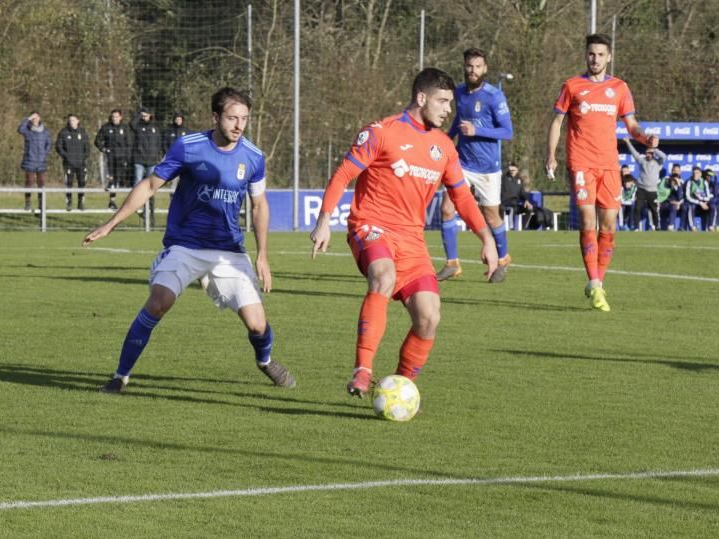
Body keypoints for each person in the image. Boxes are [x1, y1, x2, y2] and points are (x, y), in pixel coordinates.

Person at [84, 87, 295, 393]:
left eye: (244, 119)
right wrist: (111, 223)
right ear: (215, 117)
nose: (239, 125)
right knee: (158, 303)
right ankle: (120, 377)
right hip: (185, 246)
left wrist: (263, 255)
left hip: (228, 252)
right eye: (232, 118)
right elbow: (150, 184)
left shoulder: (253, 157)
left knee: (257, 325)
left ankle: (265, 361)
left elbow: (260, 205)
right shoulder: (189, 146)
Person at [310, 68, 498, 398]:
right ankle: (362, 372)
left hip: (412, 239)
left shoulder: (444, 147)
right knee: (382, 276)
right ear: (421, 98)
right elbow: (343, 176)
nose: (448, 109)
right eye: (442, 101)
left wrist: (486, 239)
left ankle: (399, 389)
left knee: (429, 318)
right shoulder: (381, 132)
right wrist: (324, 220)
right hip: (371, 226)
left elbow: (462, 197)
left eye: (450, 103)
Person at [546, 33, 658, 312]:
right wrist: (551, 156)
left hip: (609, 165)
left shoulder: (619, 88)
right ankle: (594, 283)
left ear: (609, 57)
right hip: (581, 161)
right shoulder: (572, 86)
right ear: (586, 55)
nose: (594, 59)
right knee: (587, 220)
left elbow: (631, 125)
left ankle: (598, 281)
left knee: (608, 225)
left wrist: (645, 138)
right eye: (591, 54)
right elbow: (557, 121)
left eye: (600, 54)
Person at [436, 48, 513, 283]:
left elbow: (507, 132)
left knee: (491, 217)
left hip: (488, 168)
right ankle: (452, 263)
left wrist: (477, 130)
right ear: (465, 66)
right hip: (462, 163)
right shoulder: (458, 93)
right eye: (470, 66)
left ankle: (502, 259)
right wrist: (444, 140)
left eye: (478, 66)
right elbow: (458, 121)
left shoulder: (494, 96)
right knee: (447, 208)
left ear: (485, 69)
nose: (473, 70)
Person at [624, 137, 666, 230]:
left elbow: (664, 156)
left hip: (652, 190)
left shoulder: (658, 162)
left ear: (653, 154)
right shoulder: (642, 161)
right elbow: (634, 153)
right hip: (641, 189)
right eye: (647, 153)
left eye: (650, 153)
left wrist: (654, 149)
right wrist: (628, 142)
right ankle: (636, 227)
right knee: (637, 208)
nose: (648, 154)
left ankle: (657, 226)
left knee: (654, 210)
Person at [95, 109, 132, 210]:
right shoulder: (106, 127)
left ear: (120, 117)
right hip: (110, 158)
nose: (114, 118)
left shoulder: (125, 128)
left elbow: (129, 144)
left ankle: (130, 203)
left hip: (122, 158)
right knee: (112, 179)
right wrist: (103, 148)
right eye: (113, 117)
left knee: (122, 180)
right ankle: (112, 201)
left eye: (116, 116)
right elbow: (97, 140)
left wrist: (127, 157)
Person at [55, 114, 90, 211]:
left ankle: (81, 202)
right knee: (69, 183)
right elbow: (58, 146)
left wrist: (83, 157)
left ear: (78, 121)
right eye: (70, 120)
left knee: (82, 182)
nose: (72, 122)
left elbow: (87, 148)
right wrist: (66, 156)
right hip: (68, 163)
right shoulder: (64, 132)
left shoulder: (82, 133)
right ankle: (69, 202)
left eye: (74, 120)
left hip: (81, 163)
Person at [18, 111, 52, 211]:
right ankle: (27, 203)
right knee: (29, 183)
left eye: (36, 117)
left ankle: (41, 204)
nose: (35, 119)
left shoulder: (45, 131)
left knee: (41, 183)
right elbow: (20, 129)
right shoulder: (27, 131)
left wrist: (44, 153)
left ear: (40, 118)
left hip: (41, 162)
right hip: (30, 160)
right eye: (33, 118)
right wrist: (28, 118)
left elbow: (49, 144)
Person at [681, 166, 714, 231]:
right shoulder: (689, 182)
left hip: (703, 201)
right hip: (693, 201)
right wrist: (699, 202)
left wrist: (704, 201)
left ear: (700, 174)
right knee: (691, 207)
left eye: (697, 173)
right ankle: (692, 226)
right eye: (694, 173)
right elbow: (688, 197)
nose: (695, 175)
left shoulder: (704, 182)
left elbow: (708, 196)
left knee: (713, 206)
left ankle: (711, 226)